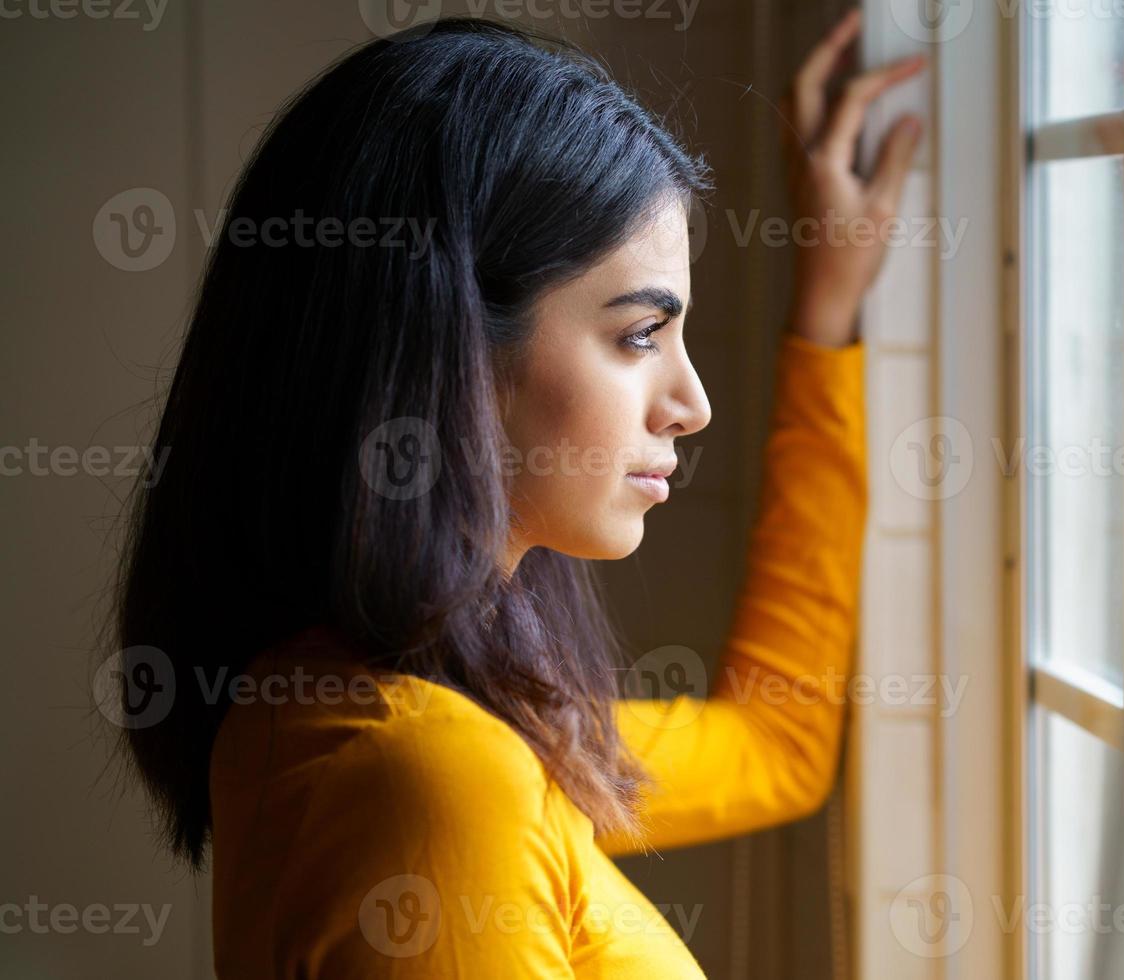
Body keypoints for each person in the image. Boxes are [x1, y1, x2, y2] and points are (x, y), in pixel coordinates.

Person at [107, 10, 924, 976]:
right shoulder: (433, 776)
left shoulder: (392, 700)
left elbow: (772, 744)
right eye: (637, 335)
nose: (692, 404)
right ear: (450, 342)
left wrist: (825, 321)